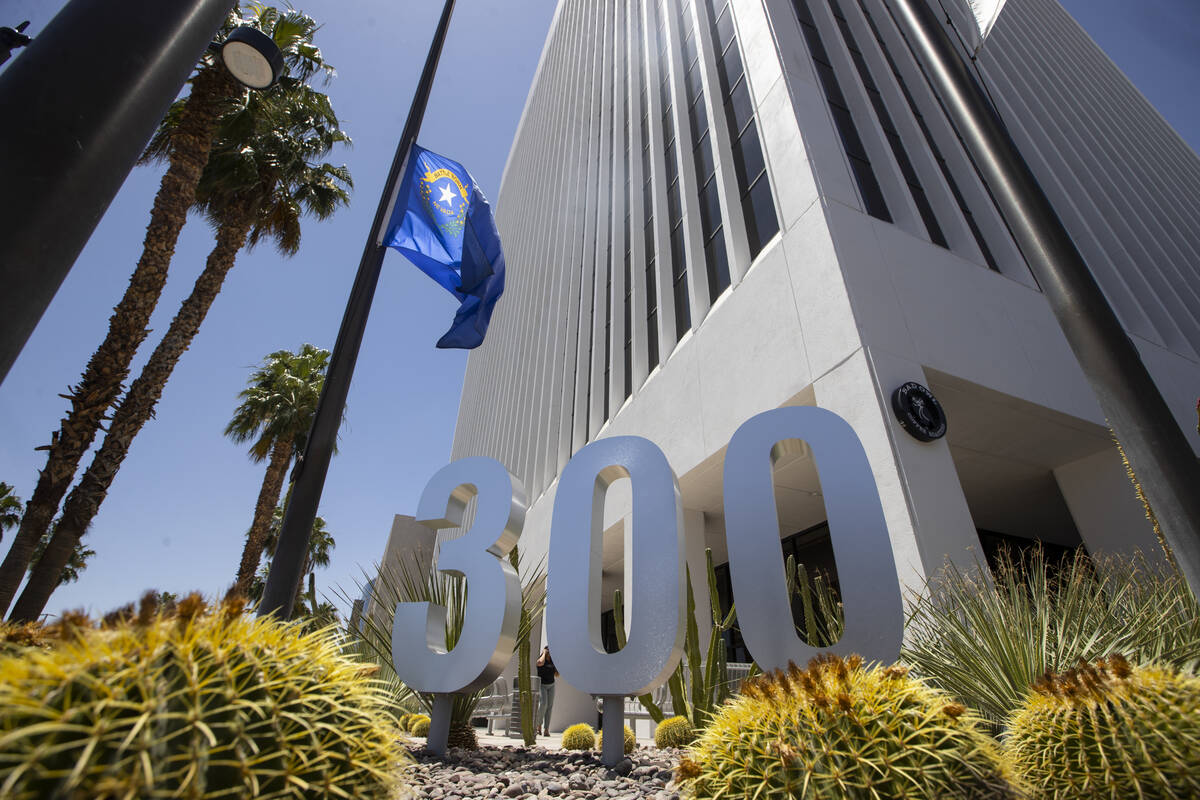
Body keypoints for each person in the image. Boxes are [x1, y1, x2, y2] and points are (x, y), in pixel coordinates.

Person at [535, 645, 557, 736]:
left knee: (549, 707)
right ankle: (538, 726)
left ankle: (546, 729)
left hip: (551, 685)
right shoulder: (541, 659)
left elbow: (557, 674)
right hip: (542, 685)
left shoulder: (553, 661)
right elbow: (539, 663)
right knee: (543, 704)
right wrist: (544, 653)